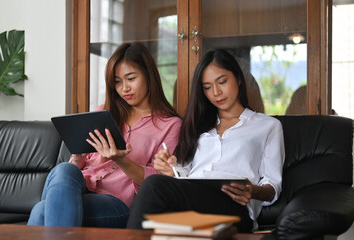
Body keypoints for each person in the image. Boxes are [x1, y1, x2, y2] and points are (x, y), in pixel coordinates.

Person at [126, 49, 284, 232]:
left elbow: (273, 184)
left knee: (153, 185)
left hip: (233, 205)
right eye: (207, 87)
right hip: (194, 196)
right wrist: (172, 171)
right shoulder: (199, 127)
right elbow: (188, 172)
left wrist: (253, 190)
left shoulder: (268, 126)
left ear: (239, 79)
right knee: (156, 195)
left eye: (222, 82)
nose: (216, 92)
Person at [28, 43, 181, 227]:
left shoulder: (170, 125)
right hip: (81, 188)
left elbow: (158, 182)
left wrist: (121, 159)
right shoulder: (103, 113)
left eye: (130, 78)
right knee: (64, 170)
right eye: (117, 82)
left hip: (117, 203)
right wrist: (78, 157)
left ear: (149, 75)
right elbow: (77, 168)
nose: (124, 88)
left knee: (41, 210)